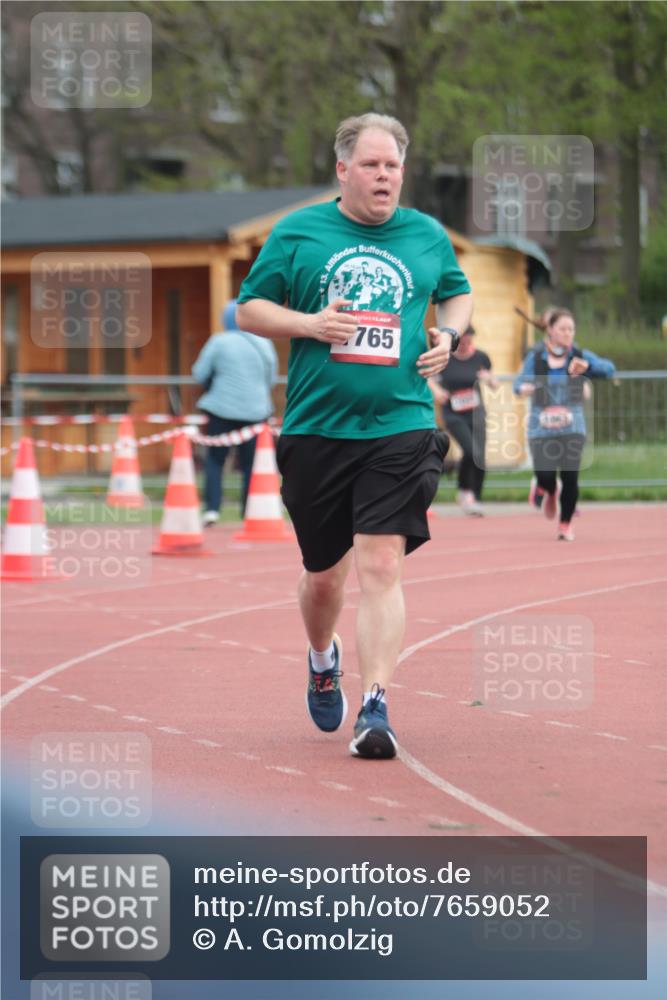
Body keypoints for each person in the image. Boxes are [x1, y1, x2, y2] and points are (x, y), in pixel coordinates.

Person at [236, 113, 473, 759]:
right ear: (342, 170)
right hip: (316, 428)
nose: (383, 176)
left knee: (380, 562)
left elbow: (456, 294)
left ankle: (375, 707)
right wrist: (310, 324)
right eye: (370, 165)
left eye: (392, 166)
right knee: (323, 579)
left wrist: (446, 337)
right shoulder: (299, 231)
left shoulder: (425, 235)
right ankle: (321, 656)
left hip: (399, 424)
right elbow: (248, 309)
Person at [513, 308, 615, 540]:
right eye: (563, 329)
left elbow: (609, 369)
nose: (568, 333)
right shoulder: (536, 356)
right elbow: (517, 383)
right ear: (550, 330)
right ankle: (548, 489)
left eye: (571, 329)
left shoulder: (579, 355)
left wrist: (587, 369)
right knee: (546, 475)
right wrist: (524, 388)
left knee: (570, 476)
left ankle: (565, 524)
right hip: (542, 425)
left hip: (572, 425)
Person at [192, 299, 278, 524]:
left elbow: (199, 373)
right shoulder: (263, 342)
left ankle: (212, 509)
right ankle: (248, 510)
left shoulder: (219, 342)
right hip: (257, 411)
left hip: (221, 409)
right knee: (250, 463)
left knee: (215, 460)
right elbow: (271, 376)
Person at [429, 324, 498, 516]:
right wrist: (437, 391)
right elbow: (430, 378)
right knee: (470, 450)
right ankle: (464, 491)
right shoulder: (445, 357)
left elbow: (494, 384)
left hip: (476, 412)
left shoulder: (481, 357)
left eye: (470, 340)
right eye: (463, 340)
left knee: (479, 456)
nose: (466, 344)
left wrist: (488, 378)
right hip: (453, 412)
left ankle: (475, 497)